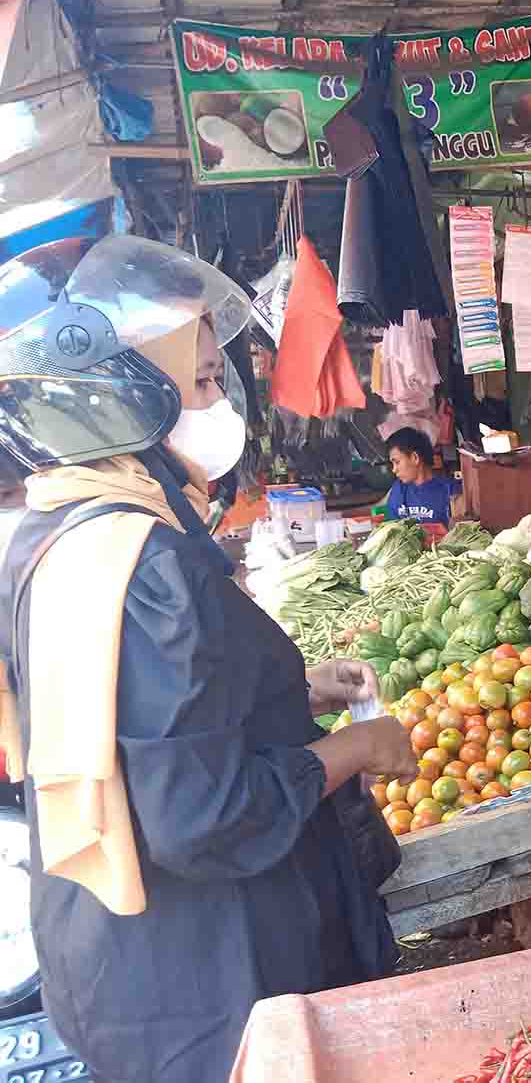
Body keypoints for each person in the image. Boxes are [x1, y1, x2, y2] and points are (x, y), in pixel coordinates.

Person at [0, 237, 417, 1083]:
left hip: (132, 969)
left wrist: (293, 688)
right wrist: (360, 747)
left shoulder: (55, 535)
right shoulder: (143, 563)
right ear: (119, 400)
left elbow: (135, 721)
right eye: (198, 384)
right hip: (213, 994)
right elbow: (206, 815)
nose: (219, 402)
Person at [384, 425, 460, 527]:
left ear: (415, 458)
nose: (394, 470)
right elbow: (391, 529)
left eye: (397, 462)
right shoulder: (398, 489)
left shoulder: (450, 490)